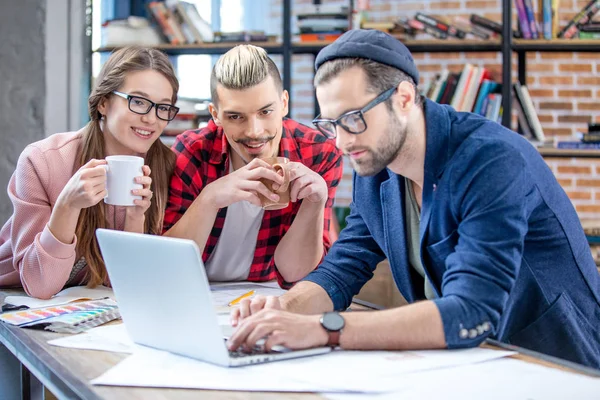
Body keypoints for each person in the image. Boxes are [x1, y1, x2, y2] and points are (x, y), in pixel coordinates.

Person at [226, 30, 600, 369]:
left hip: (556, 366)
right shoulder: (376, 168)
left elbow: (471, 312)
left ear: (403, 98)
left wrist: (326, 328)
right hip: (473, 363)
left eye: (354, 118)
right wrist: (281, 310)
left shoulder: (491, 161)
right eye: (332, 124)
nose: (341, 142)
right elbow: (342, 268)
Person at [0, 47, 179, 299]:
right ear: (104, 102)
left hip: (94, 304)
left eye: (163, 107)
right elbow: (39, 284)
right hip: (14, 297)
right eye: (138, 102)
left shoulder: (167, 167)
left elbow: (127, 285)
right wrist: (67, 206)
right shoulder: (43, 160)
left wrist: (134, 219)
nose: (152, 119)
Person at [163, 45, 343, 287]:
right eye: (235, 116)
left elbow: (295, 275)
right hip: (194, 288)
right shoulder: (193, 151)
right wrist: (210, 198)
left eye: (266, 111)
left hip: (269, 292)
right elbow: (168, 266)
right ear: (215, 114)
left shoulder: (319, 153)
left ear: (284, 103)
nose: (254, 132)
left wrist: (315, 202)